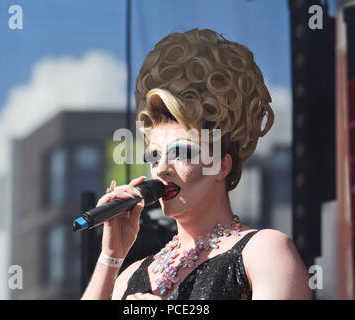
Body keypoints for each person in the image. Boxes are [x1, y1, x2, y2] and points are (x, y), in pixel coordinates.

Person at [81, 28, 311, 300]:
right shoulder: (132, 275)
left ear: (222, 166)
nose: (162, 168)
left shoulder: (264, 251)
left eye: (181, 153)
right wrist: (111, 255)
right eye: (154, 156)